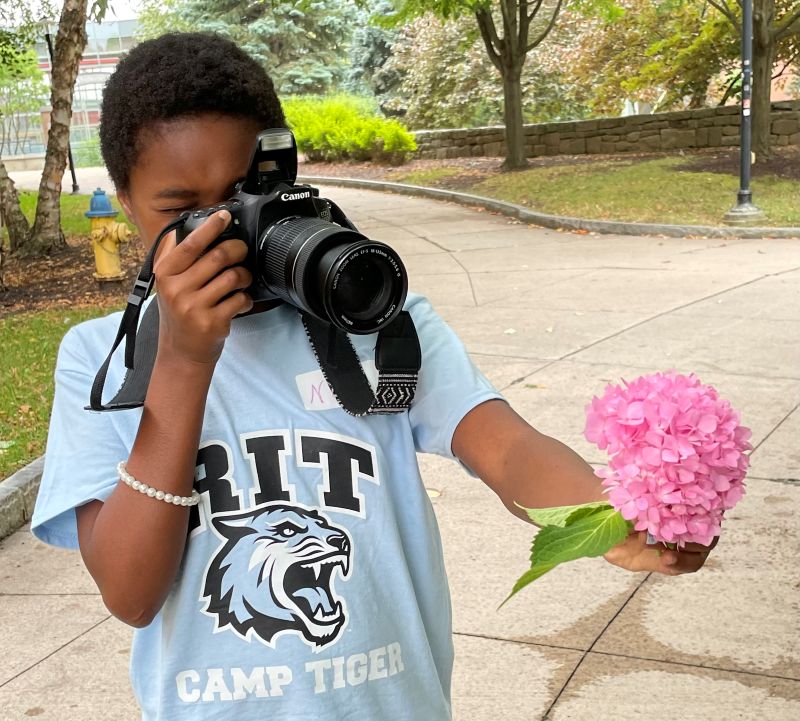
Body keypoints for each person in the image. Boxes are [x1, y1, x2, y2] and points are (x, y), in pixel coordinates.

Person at [31, 32, 711, 721]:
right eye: (185, 213)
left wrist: (611, 515)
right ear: (123, 202)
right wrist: (180, 363)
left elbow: (505, 447)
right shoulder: (104, 362)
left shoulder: (377, 324)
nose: (228, 233)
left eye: (248, 194)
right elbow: (130, 592)